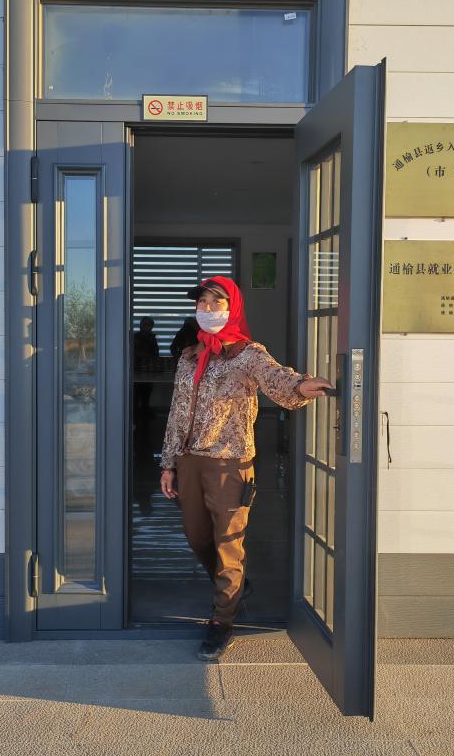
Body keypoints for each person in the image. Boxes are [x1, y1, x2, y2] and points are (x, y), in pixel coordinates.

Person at [159, 275, 332, 661]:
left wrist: (301, 386)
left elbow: (277, 378)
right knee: (196, 536)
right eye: (202, 303)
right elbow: (176, 413)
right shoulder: (189, 357)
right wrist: (168, 463)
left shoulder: (247, 354)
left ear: (232, 307)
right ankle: (235, 586)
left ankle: (222, 620)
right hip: (189, 461)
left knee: (228, 543)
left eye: (215, 303)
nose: (207, 310)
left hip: (229, 463)